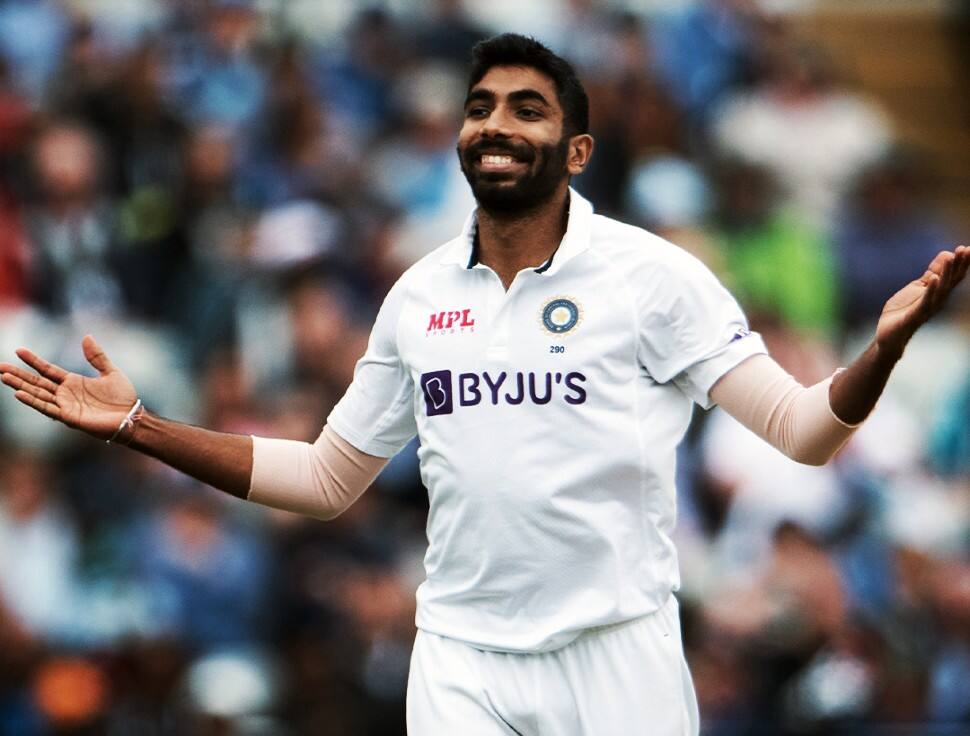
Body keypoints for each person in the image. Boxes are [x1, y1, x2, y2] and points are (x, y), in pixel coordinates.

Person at [1, 34, 967, 736]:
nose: (494, 124)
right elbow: (328, 479)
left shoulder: (651, 276)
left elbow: (801, 433)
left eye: (527, 108)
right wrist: (140, 425)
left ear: (578, 152)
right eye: (480, 107)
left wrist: (876, 355)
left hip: (616, 653)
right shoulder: (418, 297)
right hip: (461, 658)